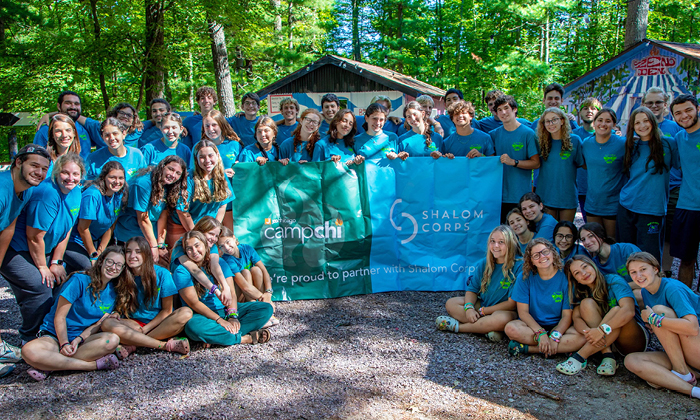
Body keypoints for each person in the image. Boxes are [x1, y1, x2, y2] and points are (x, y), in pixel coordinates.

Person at [0, 153, 84, 343]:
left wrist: (56, 261)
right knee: (41, 285)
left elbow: (67, 228)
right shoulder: (47, 193)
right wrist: (43, 268)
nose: (70, 178)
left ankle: (52, 330)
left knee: (65, 279)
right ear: (56, 173)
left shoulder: (76, 192)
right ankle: (30, 337)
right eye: (65, 173)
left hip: (45, 249)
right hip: (18, 249)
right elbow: (34, 237)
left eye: (75, 174)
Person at [21, 246, 130, 380]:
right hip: (55, 335)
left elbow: (98, 323)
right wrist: (64, 343)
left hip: (81, 340)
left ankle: (49, 365)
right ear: (101, 261)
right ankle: (92, 365)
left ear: (122, 269)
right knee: (28, 351)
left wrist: (79, 339)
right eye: (110, 262)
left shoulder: (114, 291)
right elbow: (59, 317)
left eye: (119, 265)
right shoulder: (79, 280)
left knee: (112, 340)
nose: (113, 267)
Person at [0, 145, 52, 374]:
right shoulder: (2, 190)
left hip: (7, 247)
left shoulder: (26, 189)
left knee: (39, 286)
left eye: (44, 168)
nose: (39, 172)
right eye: (34, 165)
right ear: (18, 162)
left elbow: (8, 228)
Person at [172, 231, 274, 346]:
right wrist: (219, 320)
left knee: (265, 309)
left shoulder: (220, 262)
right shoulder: (182, 271)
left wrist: (233, 316)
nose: (194, 251)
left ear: (205, 245)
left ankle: (220, 337)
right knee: (193, 327)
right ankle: (243, 338)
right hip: (202, 315)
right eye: (189, 249)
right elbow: (194, 304)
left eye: (197, 246)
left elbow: (232, 293)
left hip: (225, 310)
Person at [624, 252, 700, 400]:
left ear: (656, 269)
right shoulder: (646, 292)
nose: (638, 275)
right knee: (632, 361)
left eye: (643, 269)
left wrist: (654, 319)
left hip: (695, 345)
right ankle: (693, 389)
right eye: (633, 272)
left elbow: (692, 327)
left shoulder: (672, 288)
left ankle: (680, 372)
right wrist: (656, 324)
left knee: (658, 312)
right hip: (682, 353)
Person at [100, 237, 192, 357]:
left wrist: (145, 329)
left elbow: (167, 310)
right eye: (128, 251)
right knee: (107, 324)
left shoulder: (162, 273)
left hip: (160, 324)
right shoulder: (122, 274)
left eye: (138, 252)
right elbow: (120, 304)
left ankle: (135, 345)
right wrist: (117, 312)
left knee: (186, 313)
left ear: (146, 254)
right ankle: (161, 345)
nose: (132, 255)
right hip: (134, 325)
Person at [556, 255, 647, 375]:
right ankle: (608, 355)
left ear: (592, 265)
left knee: (616, 311)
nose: (583, 273)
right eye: (577, 273)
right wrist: (589, 333)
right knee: (586, 303)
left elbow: (628, 311)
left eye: (585, 267)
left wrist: (601, 330)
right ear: (575, 279)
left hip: (631, 339)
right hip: (607, 340)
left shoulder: (613, 280)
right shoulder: (582, 291)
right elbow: (577, 318)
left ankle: (580, 357)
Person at [436, 225, 522, 341]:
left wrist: (484, 311)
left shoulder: (518, 266)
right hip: (483, 305)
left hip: (504, 311)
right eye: (493, 241)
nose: (496, 246)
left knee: (503, 319)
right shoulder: (485, 264)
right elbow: (472, 289)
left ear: (510, 244)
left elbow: (511, 304)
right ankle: (487, 328)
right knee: (451, 303)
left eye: (501, 242)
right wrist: (469, 308)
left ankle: (458, 327)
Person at [505, 238, 585, 356]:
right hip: (532, 326)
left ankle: (527, 349)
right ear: (531, 261)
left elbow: (567, 316)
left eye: (545, 252)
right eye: (536, 255)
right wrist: (540, 333)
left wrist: (555, 336)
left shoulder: (565, 277)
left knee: (581, 337)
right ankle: (558, 348)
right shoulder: (524, 277)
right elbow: (523, 313)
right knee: (511, 328)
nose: (542, 257)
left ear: (552, 253)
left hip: (558, 326)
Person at [617, 107, 677, 263]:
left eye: (645, 121)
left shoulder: (668, 144)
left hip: (652, 208)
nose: (642, 126)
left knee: (650, 257)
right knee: (626, 252)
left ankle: (651, 287)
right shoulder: (631, 146)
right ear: (632, 126)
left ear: (653, 121)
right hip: (627, 205)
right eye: (637, 122)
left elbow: (685, 166)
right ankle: (629, 286)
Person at [113, 155, 189, 266]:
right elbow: (143, 219)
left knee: (167, 262)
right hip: (131, 233)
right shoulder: (144, 183)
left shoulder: (168, 185)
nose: (173, 175)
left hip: (150, 235)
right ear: (162, 167)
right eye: (170, 169)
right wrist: (154, 247)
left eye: (178, 173)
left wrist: (160, 245)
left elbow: (163, 215)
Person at [643, 88, 684, 277]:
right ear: (643, 104)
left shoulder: (674, 128)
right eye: (649, 102)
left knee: (668, 235)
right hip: (647, 192)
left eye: (658, 102)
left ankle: (665, 272)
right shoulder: (640, 127)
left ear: (665, 105)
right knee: (649, 234)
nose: (654, 106)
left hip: (673, 189)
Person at [168, 140, 233, 249]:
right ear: (196, 158)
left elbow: (223, 205)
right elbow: (182, 211)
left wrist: (214, 231)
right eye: (202, 157)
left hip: (209, 229)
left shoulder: (222, 176)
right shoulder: (188, 178)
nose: (207, 160)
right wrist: (196, 236)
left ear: (217, 155)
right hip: (183, 227)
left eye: (210, 155)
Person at [65, 161, 127, 272]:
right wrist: (94, 255)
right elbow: (82, 228)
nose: (117, 182)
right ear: (104, 177)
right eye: (112, 177)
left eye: (120, 178)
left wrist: (101, 251)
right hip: (74, 241)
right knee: (93, 269)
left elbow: (110, 226)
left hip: (95, 241)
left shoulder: (119, 194)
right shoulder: (93, 195)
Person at [490, 95, 540, 222]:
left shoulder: (528, 134)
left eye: (506, 108)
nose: (503, 112)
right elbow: (488, 160)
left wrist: (514, 162)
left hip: (521, 196)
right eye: (499, 110)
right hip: (498, 195)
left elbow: (536, 163)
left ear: (515, 109)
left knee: (520, 234)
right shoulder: (494, 135)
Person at [669, 94, 700, 288]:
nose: (684, 116)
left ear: (697, 108)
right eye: (678, 113)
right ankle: (685, 301)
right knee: (685, 259)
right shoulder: (679, 138)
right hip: (687, 204)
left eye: (688, 110)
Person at [581, 108, 626, 238]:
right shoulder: (587, 143)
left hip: (613, 204)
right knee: (594, 243)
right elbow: (584, 165)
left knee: (611, 243)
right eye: (600, 120)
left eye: (608, 121)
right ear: (594, 123)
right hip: (592, 203)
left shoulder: (622, 143)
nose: (603, 124)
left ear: (614, 125)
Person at [534, 107, 584, 222]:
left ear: (562, 121)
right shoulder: (540, 142)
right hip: (546, 195)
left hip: (567, 194)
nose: (551, 123)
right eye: (547, 121)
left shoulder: (574, 141)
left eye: (554, 119)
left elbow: (583, 164)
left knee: (566, 233)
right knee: (548, 234)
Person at [199, 110, 245, 230]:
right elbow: (195, 173)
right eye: (207, 126)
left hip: (231, 200)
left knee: (229, 235)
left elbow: (244, 170)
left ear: (222, 125)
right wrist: (220, 173)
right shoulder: (199, 147)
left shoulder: (234, 145)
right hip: (208, 202)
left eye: (214, 125)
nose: (211, 129)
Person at [578, 222, 643, 305]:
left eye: (591, 236)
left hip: (640, 293)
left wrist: (620, 287)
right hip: (616, 302)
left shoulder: (627, 249)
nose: (587, 242)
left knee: (637, 294)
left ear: (602, 236)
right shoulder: (594, 265)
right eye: (583, 239)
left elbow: (647, 279)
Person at [34, 90, 103, 159]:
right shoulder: (45, 130)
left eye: (76, 104)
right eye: (68, 103)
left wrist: (49, 114)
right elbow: (37, 159)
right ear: (59, 106)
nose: (73, 107)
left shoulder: (86, 128)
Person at [85, 117, 146, 181]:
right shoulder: (93, 159)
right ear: (102, 137)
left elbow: (144, 180)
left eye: (115, 133)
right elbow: (87, 184)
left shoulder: (136, 154)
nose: (112, 138)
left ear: (124, 134)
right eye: (107, 135)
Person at [572, 97, 602, 221]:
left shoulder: (606, 135)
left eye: (593, 108)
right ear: (579, 113)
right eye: (585, 108)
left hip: (598, 189)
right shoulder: (572, 135)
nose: (589, 111)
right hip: (577, 187)